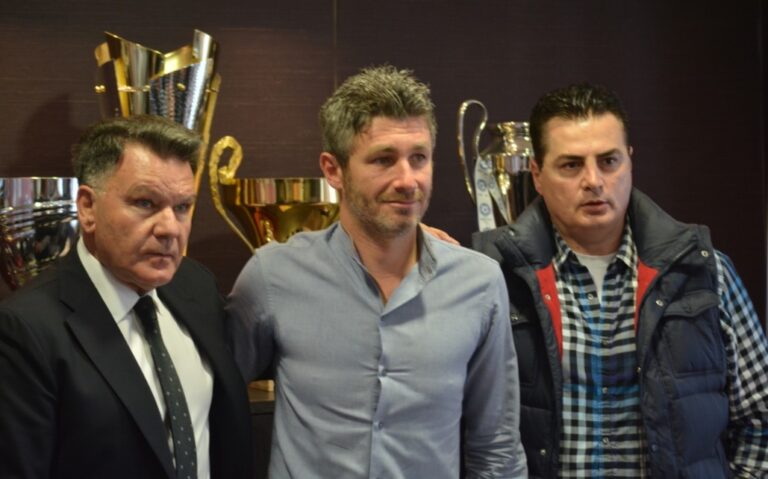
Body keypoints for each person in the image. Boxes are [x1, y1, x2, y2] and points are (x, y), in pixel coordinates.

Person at [226, 65, 527, 478]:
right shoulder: (273, 276)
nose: (407, 180)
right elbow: (214, 409)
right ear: (333, 170)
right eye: (384, 160)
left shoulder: (479, 282)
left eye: (418, 158)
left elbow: (497, 448)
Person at [473, 82, 768, 478]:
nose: (594, 181)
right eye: (571, 165)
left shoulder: (704, 271)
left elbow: (760, 417)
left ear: (630, 161)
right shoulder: (493, 276)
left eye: (609, 161)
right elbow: (462, 424)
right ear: (537, 175)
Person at [0, 115, 252, 479]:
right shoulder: (27, 329)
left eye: (182, 207)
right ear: (87, 207)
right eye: (145, 203)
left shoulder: (196, 286)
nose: (170, 228)